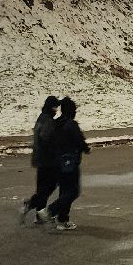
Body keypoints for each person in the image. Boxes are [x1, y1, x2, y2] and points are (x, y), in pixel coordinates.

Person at [43, 96, 90, 232]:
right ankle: (51, 211)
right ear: (71, 111)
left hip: (57, 162)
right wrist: (85, 149)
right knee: (73, 191)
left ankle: (62, 220)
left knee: (64, 191)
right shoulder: (71, 125)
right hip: (70, 162)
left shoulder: (56, 123)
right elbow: (79, 141)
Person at [20, 96, 60, 225]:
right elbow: (47, 139)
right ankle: (31, 204)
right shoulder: (47, 120)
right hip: (47, 160)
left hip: (40, 159)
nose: (56, 110)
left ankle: (39, 214)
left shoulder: (42, 117)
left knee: (42, 186)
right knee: (50, 185)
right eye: (55, 107)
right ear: (51, 107)